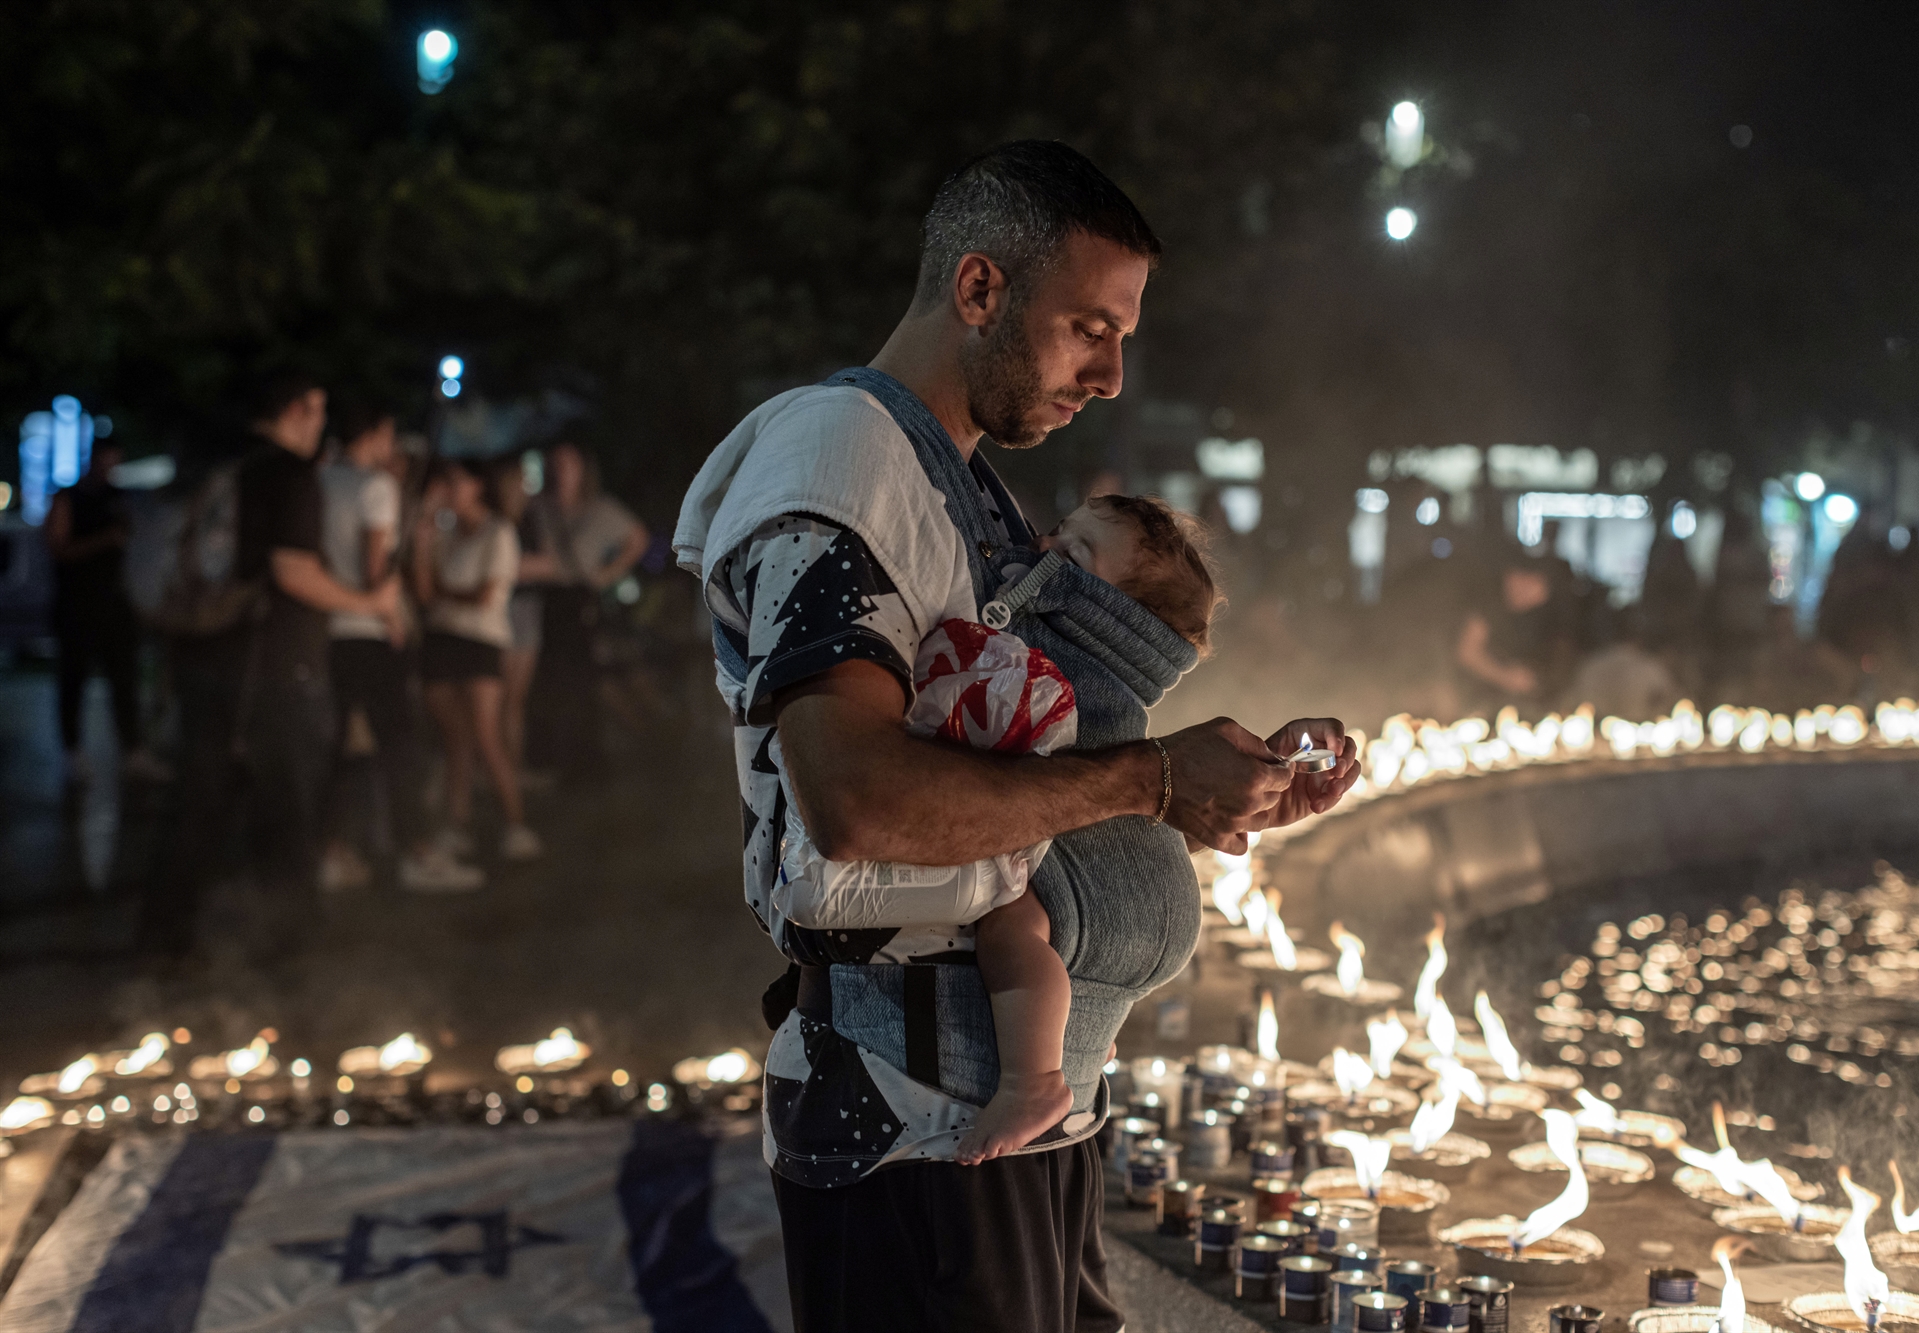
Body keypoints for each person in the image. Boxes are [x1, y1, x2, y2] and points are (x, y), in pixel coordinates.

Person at [675, 140, 1360, 1333]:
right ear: (980, 290)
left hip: (1006, 1118)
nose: (1107, 376)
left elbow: (1008, 784)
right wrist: (1149, 778)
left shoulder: (960, 481)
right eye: (1087, 328)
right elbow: (860, 804)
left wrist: (1218, 789)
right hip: (914, 1131)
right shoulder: (841, 464)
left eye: (1123, 340)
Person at [777, 494, 1220, 1166]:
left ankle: (1033, 1077)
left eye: (1071, 556)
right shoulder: (1115, 683)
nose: (1041, 550)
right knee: (1074, 962)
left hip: (1091, 874)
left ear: (1120, 617)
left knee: (1012, 924)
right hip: (1150, 870)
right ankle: (1081, 1050)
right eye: (1054, 531)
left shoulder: (1054, 642)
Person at [233, 373, 403, 894]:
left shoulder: (243, 468)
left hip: (240, 647)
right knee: (308, 777)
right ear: (296, 411)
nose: (321, 424)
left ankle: (204, 913)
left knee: (263, 778)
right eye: (317, 410)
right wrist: (376, 605)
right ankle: (293, 912)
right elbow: (295, 570)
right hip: (297, 653)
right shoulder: (295, 475)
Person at [318, 401, 485, 893]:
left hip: (327, 631)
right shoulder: (375, 487)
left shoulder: (324, 481)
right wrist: (391, 617)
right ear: (373, 433)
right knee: (400, 745)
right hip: (368, 633)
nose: (392, 445)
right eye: (389, 433)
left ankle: (331, 854)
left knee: (342, 749)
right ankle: (417, 854)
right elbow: (376, 571)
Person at [412, 459, 540, 862]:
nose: (449, 489)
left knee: (486, 736)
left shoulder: (498, 532)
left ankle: (516, 825)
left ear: (476, 487)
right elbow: (425, 592)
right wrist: (421, 541)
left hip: (481, 642)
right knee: (456, 740)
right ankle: (457, 825)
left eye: (456, 481)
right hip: (441, 640)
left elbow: (485, 596)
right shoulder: (443, 534)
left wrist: (446, 593)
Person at [43, 440, 172, 783]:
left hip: (117, 604)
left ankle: (133, 750)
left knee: (124, 680)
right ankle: (72, 751)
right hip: (78, 605)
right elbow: (56, 546)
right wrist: (103, 541)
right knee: (74, 679)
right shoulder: (69, 497)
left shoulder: (120, 498)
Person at [520, 441, 648, 776]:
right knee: (547, 679)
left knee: (580, 680)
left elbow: (637, 538)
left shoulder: (600, 508)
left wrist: (607, 575)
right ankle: (548, 758)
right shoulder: (540, 509)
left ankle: (584, 761)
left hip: (578, 599)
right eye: (557, 464)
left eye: (570, 464)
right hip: (547, 599)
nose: (562, 471)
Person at [1455, 554, 1567, 710]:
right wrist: (1506, 677)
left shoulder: (1542, 617)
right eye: (1523, 581)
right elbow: (1467, 652)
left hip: (1509, 701)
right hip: (1462, 694)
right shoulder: (1488, 600)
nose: (1525, 592)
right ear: (1511, 575)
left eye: (1535, 588)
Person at [493, 456, 545, 779]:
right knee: (499, 700)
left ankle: (513, 770)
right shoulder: (498, 523)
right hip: (499, 612)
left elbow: (545, 564)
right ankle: (501, 771)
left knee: (513, 701)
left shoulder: (531, 522)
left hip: (525, 610)